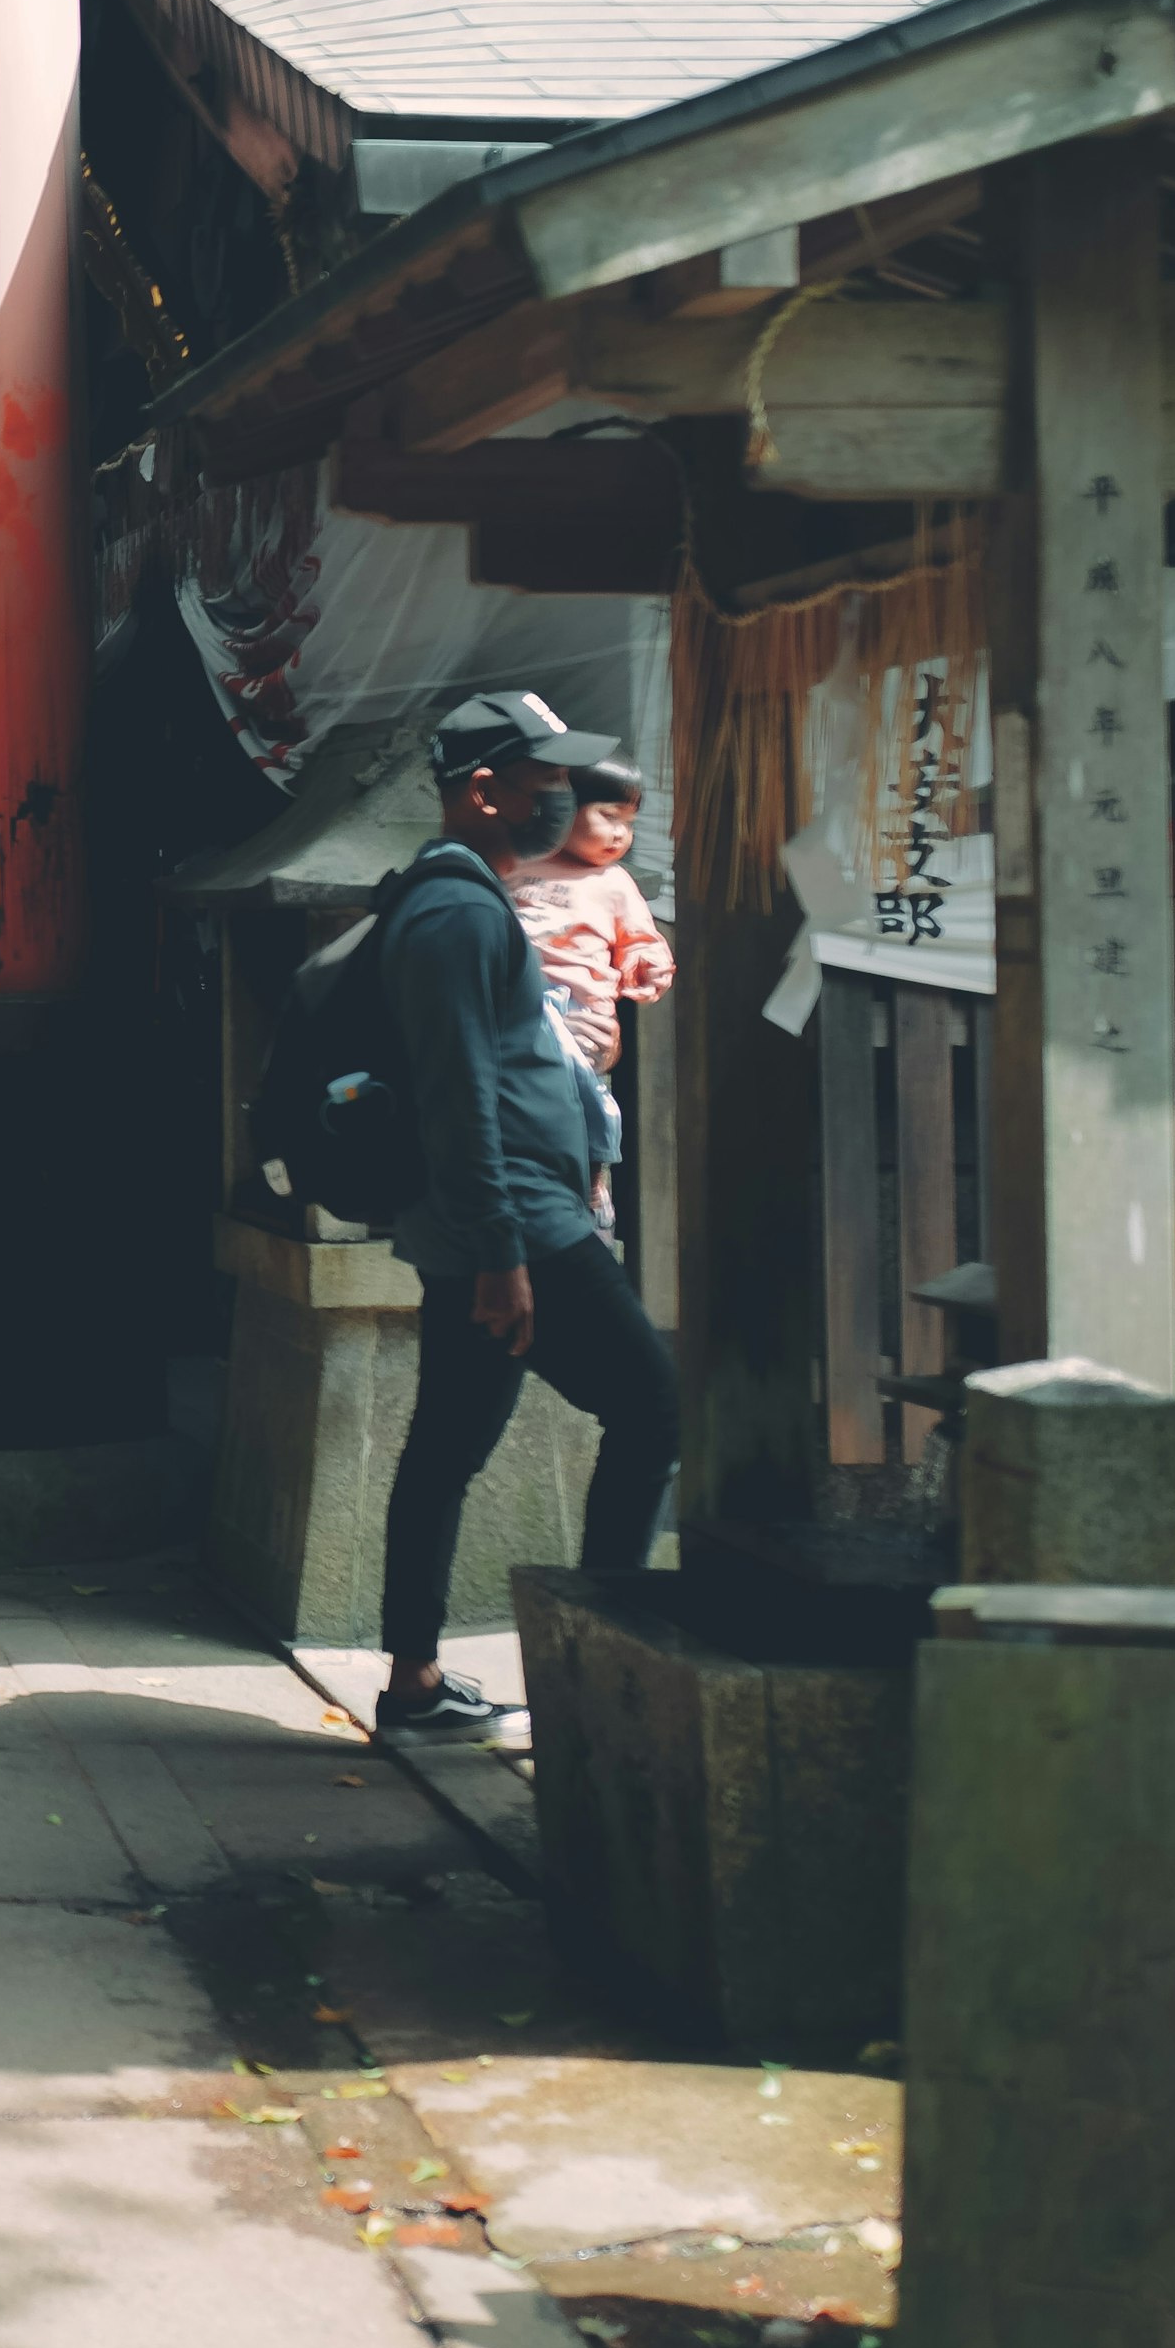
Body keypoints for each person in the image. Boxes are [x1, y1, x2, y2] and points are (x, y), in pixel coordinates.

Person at [372, 688, 680, 1750]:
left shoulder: (472, 899)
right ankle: (599, 1666)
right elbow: (460, 1093)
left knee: (447, 1448)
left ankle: (415, 1684)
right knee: (654, 1412)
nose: (565, 795)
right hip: (516, 1228)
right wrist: (506, 1254)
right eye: (545, 778)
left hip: (495, 1223)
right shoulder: (456, 912)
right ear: (484, 789)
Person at [497, 751, 675, 1096]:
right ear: (562, 808)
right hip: (516, 1003)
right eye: (609, 816)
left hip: (582, 1011)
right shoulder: (513, 863)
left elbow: (639, 939)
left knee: (574, 1095)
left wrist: (647, 966)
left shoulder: (614, 881)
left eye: (630, 823)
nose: (620, 834)